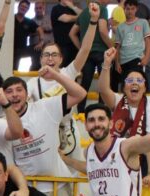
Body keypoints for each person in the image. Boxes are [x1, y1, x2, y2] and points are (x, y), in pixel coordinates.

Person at [3, 69, 86, 196]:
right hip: (28, 193)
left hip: (59, 187)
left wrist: (55, 76)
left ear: (27, 94)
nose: (14, 95)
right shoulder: (2, 123)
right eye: (9, 91)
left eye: (19, 90)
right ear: (3, 97)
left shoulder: (45, 107)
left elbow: (80, 94)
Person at [27, 2, 99, 171]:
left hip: (69, 132)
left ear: (60, 59)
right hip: (44, 134)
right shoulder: (32, 83)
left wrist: (93, 22)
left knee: (72, 176)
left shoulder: (68, 73)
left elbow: (85, 49)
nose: (50, 58)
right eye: (46, 55)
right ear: (41, 59)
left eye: (54, 55)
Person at [97, 48, 150, 181]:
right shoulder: (118, 101)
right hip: (125, 154)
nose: (134, 83)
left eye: (139, 81)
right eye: (130, 81)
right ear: (124, 87)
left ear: (145, 88)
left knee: (149, 191)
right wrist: (106, 63)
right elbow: (103, 89)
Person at [69, 0, 112, 113]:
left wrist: (82, 49)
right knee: (104, 84)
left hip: (88, 54)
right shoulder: (102, 9)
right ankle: (102, 111)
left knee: (85, 83)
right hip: (102, 52)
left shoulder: (83, 12)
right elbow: (102, 31)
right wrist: (113, 47)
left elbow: (72, 33)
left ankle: (80, 112)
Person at [114, 0, 150, 81]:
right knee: (124, 85)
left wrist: (147, 57)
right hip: (123, 61)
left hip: (137, 59)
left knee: (136, 83)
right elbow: (117, 47)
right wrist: (117, 63)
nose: (130, 11)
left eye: (132, 8)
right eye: (128, 9)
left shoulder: (143, 22)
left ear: (136, 9)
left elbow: (148, 41)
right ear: (124, 9)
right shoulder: (120, 27)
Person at [13, 0, 43, 71]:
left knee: (37, 49)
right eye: (22, 6)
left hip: (23, 49)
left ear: (27, 10)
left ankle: (33, 71)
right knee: (14, 69)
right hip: (11, 49)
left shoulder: (29, 21)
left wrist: (41, 42)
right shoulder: (11, 19)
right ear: (18, 6)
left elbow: (40, 29)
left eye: (26, 7)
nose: (23, 8)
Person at [51, 0, 82, 66]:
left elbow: (85, 15)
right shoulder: (56, 8)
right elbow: (66, 19)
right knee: (64, 67)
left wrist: (73, 7)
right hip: (63, 46)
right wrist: (80, 17)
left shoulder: (73, 9)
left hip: (76, 44)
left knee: (77, 68)